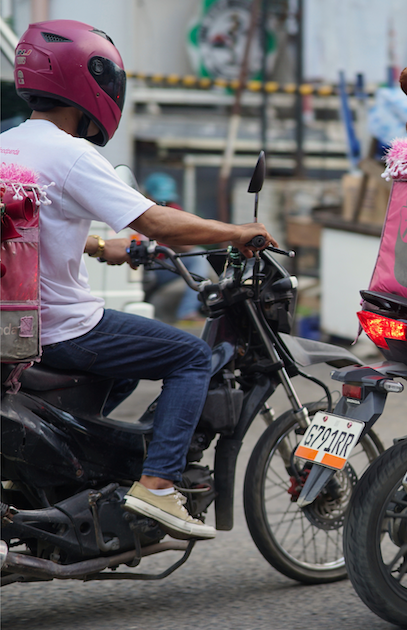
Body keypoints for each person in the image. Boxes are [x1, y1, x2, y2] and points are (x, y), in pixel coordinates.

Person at [1, 19, 277, 539]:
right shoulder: (72, 154)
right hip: (65, 330)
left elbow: (22, 227)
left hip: (22, 327)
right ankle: (158, 486)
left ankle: (78, 470)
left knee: (125, 370)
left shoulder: (8, 145)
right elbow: (154, 221)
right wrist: (237, 231)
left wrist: (98, 244)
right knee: (191, 356)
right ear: (88, 83)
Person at [141, 172, 215, 323]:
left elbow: (188, 246)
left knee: (199, 255)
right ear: (146, 194)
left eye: (166, 199)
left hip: (162, 266)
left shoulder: (173, 210)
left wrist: (171, 235)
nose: (163, 203)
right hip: (139, 266)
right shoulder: (137, 210)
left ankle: (187, 313)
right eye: (158, 198)